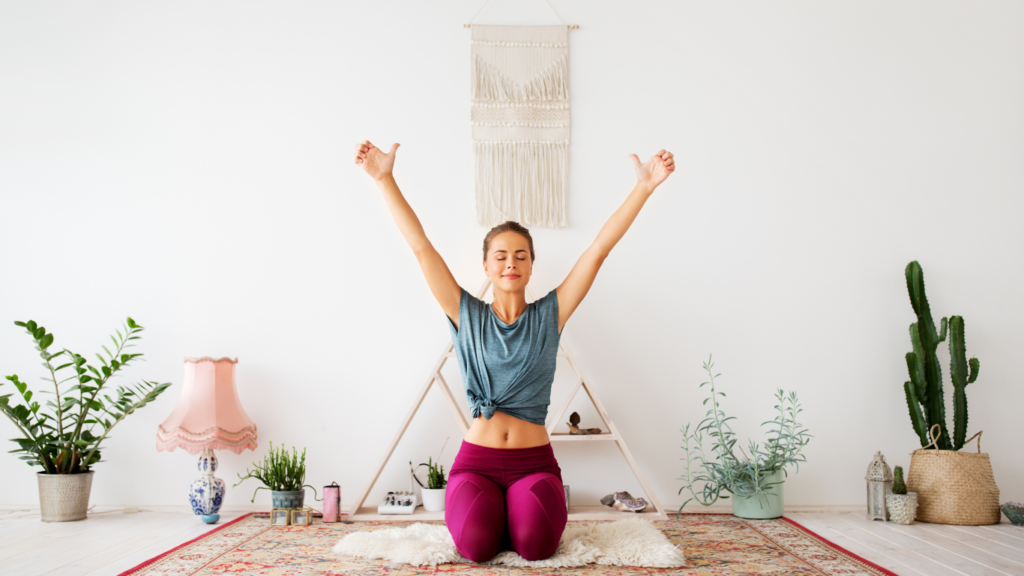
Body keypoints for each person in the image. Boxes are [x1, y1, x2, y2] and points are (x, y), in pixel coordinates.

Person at [353, 140, 675, 561]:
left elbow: (597, 252)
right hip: (476, 465)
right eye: (500, 255)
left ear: (530, 266)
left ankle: (514, 512)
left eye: (520, 255)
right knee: (477, 547)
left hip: (534, 465)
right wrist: (384, 179)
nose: (510, 262)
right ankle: (494, 513)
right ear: (486, 265)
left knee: (535, 547)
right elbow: (421, 248)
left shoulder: (549, 316)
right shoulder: (464, 313)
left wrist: (643, 188)